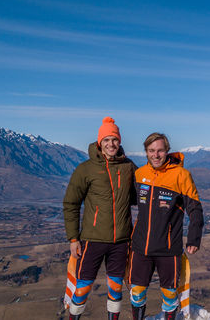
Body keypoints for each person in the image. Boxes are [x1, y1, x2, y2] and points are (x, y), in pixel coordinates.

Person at [63, 117, 137, 320]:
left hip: (120, 241)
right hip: (92, 240)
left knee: (115, 288)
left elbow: (142, 194)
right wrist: (73, 238)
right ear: (99, 143)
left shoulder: (128, 166)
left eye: (114, 139)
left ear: (119, 141)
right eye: (106, 140)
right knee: (82, 288)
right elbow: (71, 204)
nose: (111, 144)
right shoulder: (85, 169)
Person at [128, 133, 204, 320]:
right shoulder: (139, 174)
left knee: (170, 296)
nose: (156, 155)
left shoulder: (181, 175)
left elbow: (195, 209)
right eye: (151, 150)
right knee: (136, 293)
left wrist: (194, 238)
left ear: (167, 151)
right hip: (140, 247)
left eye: (160, 150)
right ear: (146, 152)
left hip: (168, 248)